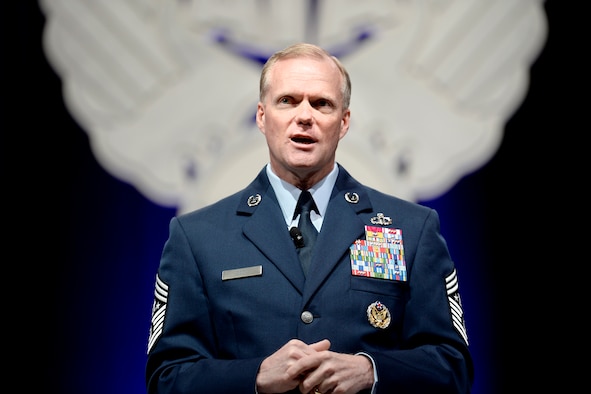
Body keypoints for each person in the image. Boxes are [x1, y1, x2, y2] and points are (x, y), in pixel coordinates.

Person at [145, 42, 474, 394]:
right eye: (287, 100)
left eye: (322, 104)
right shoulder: (196, 237)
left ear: (344, 121)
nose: (305, 116)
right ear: (261, 116)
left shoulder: (412, 228)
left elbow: (452, 366)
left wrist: (371, 371)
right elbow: (166, 378)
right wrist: (255, 377)